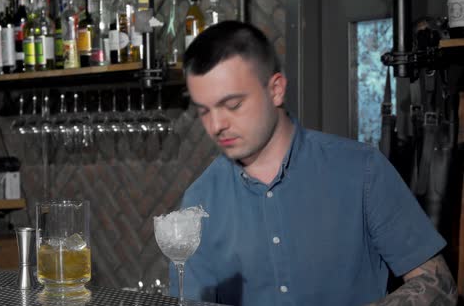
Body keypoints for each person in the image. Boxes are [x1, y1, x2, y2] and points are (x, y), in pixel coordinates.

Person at [168, 21, 457, 306]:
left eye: (232, 105)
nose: (216, 125)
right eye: (204, 111)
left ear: (276, 89)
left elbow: (439, 285)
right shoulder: (199, 201)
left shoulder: (362, 170)